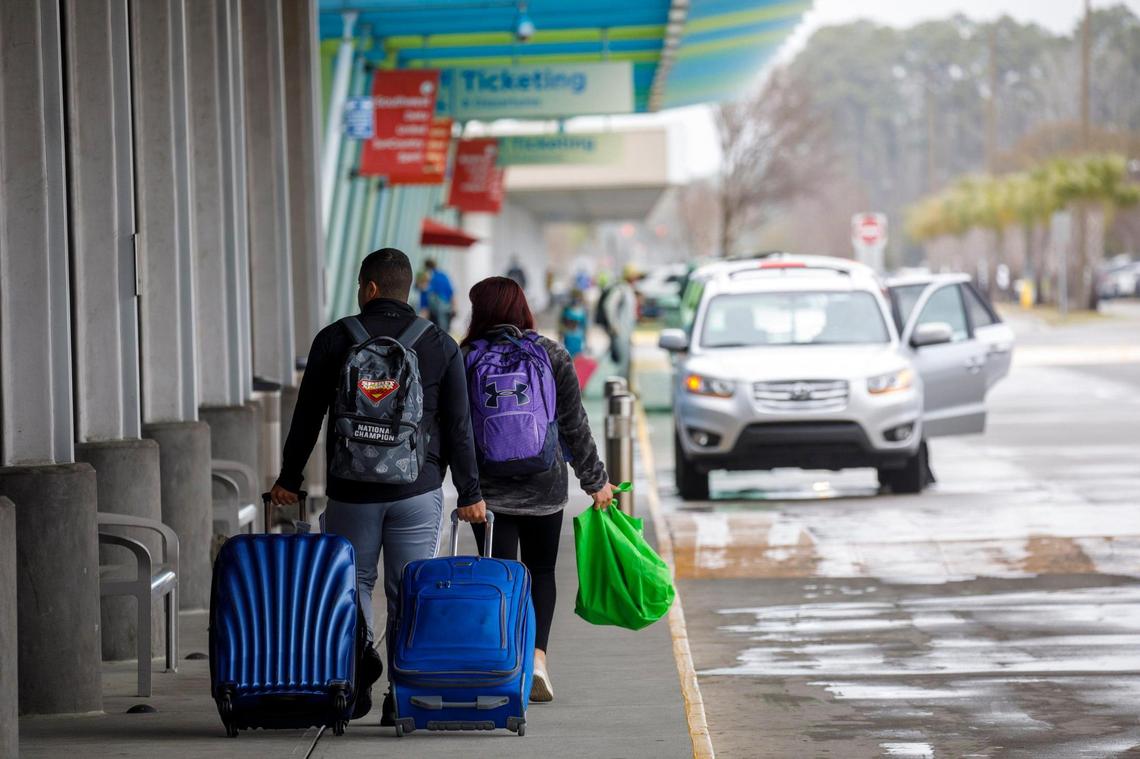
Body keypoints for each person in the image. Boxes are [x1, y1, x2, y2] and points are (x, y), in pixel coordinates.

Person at [270, 247, 486, 724]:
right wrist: (470, 493)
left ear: (368, 289)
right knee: (409, 588)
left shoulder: (334, 339)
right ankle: (400, 695)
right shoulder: (439, 344)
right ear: (406, 289)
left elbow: (306, 419)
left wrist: (289, 480)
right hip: (416, 488)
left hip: (350, 491)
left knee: (355, 583)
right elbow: (458, 426)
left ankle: (354, 676)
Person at [460, 276, 614, 704]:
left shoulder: (465, 357)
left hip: (487, 493)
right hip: (544, 486)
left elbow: (453, 431)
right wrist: (595, 480)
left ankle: (508, 662)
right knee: (541, 572)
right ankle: (539, 659)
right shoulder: (551, 354)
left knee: (502, 578)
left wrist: (461, 489)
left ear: (480, 312)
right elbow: (574, 425)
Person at [418, 257, 455, 332]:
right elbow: (451, 293)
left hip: (433, 313)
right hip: (446, 309)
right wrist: (454, 308)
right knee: (444, 332)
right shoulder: (443, 276)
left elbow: (424, 305)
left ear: (426, 267)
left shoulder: (426, 277)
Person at [559, 288, 588, 359]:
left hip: (577, 338)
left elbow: (585, 327)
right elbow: (561, 325)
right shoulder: (566, 310)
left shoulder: (582, 311)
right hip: (570, 338)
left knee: (576, 359)